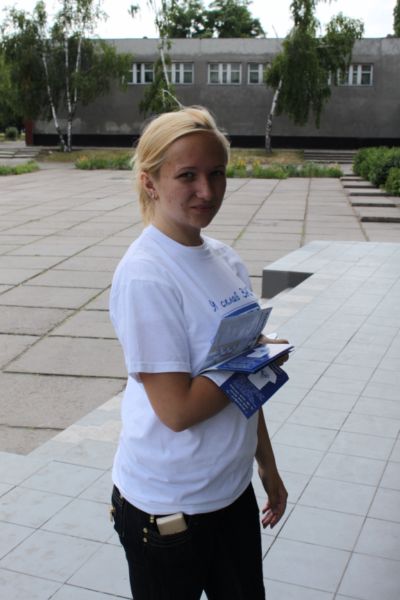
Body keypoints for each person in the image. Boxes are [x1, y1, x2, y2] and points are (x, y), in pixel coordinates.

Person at [109, 105, 288, 600]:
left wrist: (267, 464)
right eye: (187, 175)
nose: (207, 191)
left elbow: (242, 382)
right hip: (169, 509)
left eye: (217, 173)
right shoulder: (147, 275)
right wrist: (257, 361)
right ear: (150, 183)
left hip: (230, 491)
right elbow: (178, 410)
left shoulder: (225, 259)